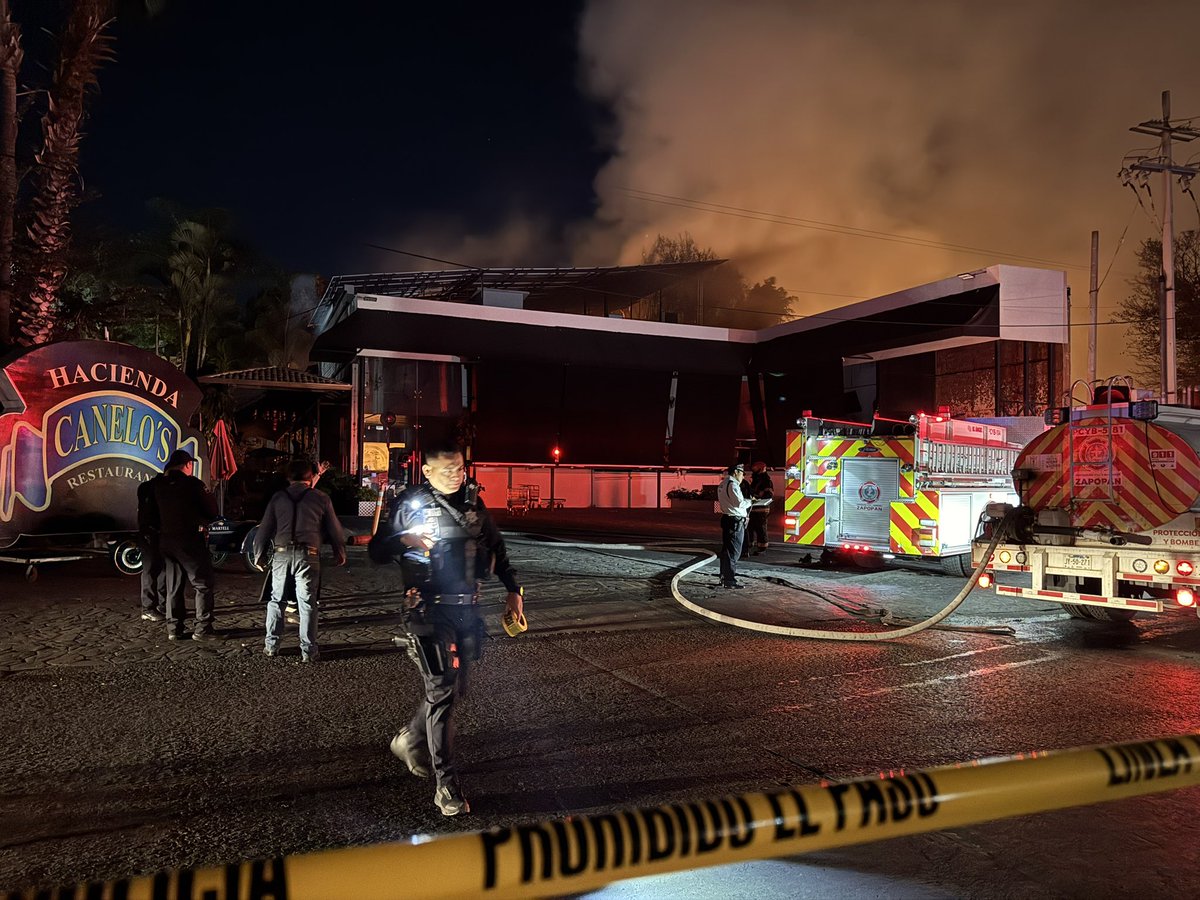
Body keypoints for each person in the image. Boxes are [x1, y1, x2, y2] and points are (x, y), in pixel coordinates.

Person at [369, 440, 524, 817]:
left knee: (454, 691)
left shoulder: (473, 503)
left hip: (467, 611)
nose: (457, 475)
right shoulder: (411, 504)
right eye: (447, 469)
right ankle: (446, 787)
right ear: (426, 471)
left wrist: (513, 590)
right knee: (441, 691)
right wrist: (401, 538)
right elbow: (375, 551)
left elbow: (497, 547)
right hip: (426, 611)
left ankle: (410, 737)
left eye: (460, 467)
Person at [253, 458, 347, 662]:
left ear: (288, 476)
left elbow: (265, 529)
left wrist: (258, 554)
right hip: (309, 554)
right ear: (311, 476)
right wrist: (339, 550)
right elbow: (334, 529)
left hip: (281, 553)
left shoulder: (278, 498)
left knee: (276, 600)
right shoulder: (321, 498)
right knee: (307, 603)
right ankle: (308, 651)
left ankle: (271, 645)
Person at [154, 448, 220, 641]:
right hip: (189, 539)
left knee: (173, 585)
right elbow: (212, 511)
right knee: (202, 583)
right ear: (188, 465)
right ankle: (203, 627)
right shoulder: (192, 484)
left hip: (166, 539)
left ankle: (174, 628)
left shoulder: (158, 484)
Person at [135, 468, 174, 622]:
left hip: (151, 532)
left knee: (158, 569)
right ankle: (151, 607)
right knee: (153, 569)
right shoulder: (156, 489)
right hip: (153, 532)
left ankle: (157, 605)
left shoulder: (146, 487)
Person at [717, 461, 751, 589]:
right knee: (734, 552)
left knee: (726, 550)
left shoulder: (722, 484)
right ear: (736, 472)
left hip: (728, 519)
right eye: (742, 473)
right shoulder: (733, 485)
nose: (743, 477)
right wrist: (750, 501)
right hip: (735, 521)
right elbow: (738, 503)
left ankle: (723, 576)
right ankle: (730, 580)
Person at [743, 461, 775, 557]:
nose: (753, 470)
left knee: (760, 529)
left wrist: (758, 495)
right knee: (750, 527)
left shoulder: (766, 480)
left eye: (755, 468)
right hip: (753, 508)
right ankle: (748, 545)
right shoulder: (756, 479)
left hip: (761, 509)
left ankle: (762, 548)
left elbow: (769, 494)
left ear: (760, 469)